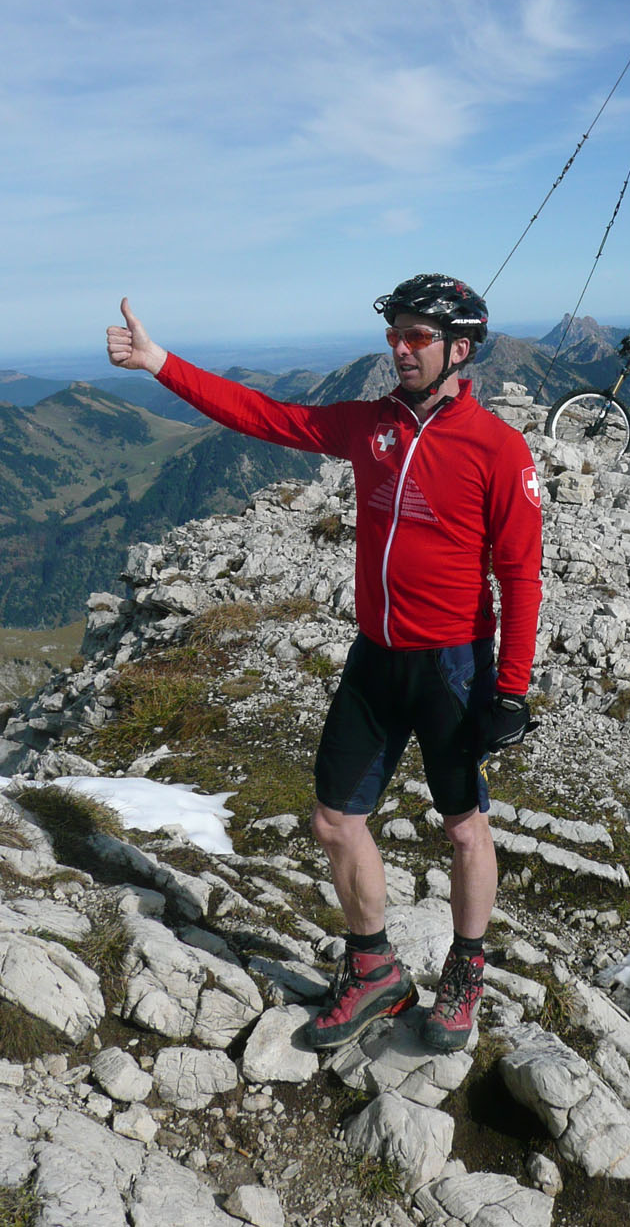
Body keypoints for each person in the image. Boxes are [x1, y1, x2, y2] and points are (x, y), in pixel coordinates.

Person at [106, 276, 543, 1053]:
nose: (400, 349)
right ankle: (375, 970)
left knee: (464, 828)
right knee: (335, 821)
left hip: (452, 665)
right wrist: (158, 361)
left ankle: (465, 972)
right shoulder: (369, 425)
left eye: (417, 337)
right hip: (376, 657)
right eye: (394, 334)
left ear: (459, 349)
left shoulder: (498, 448)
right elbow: (264, 415)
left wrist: (509, 689)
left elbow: (521, 575)